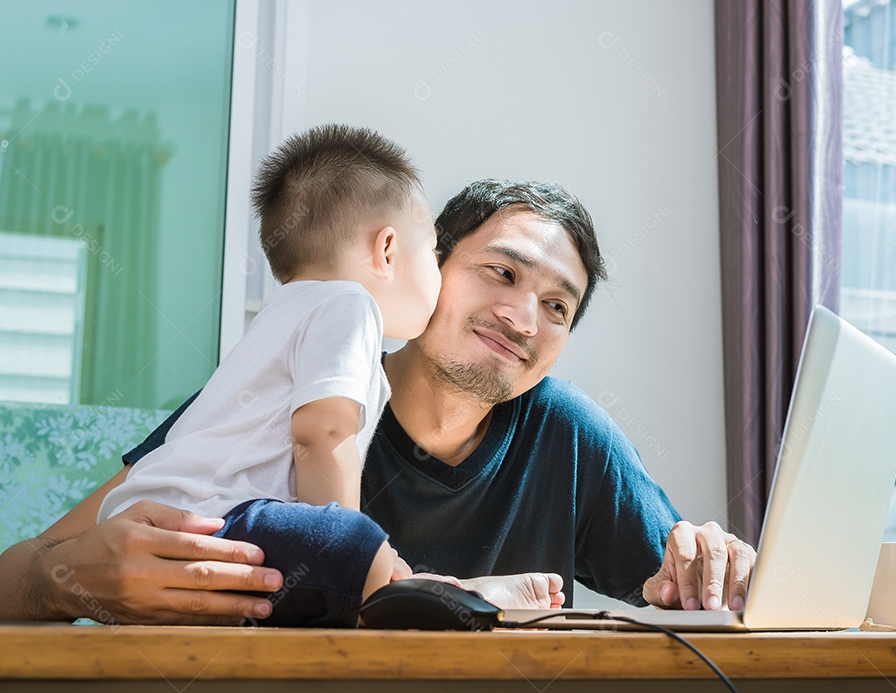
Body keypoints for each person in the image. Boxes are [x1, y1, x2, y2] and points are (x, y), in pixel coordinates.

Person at [0, 177, 755, 625]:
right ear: (428, 263)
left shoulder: (569, 434)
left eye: (558, 307)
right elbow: (20, 572)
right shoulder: (289, 388)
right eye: (502, 273)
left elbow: (693, 582)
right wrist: (61, 581)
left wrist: (722, 567)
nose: (525, 318)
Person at [96, 123, 444, 626]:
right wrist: (350, 552)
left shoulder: (284, 312)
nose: (438, 271)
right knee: (362, 551)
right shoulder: (350, 305)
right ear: (387, 249)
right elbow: (322, 435)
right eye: (433, 251)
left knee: (367, 560)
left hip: (147, 527)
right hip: (205, 521)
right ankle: (435, 593)